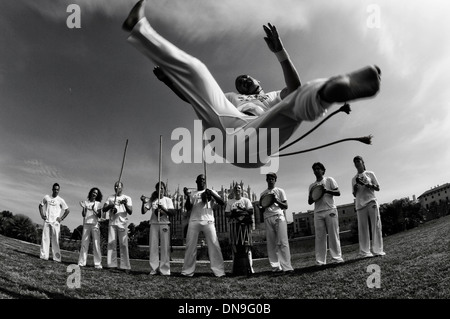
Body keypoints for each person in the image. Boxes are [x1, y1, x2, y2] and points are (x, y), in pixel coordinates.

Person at [122, 0, 381, 168]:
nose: (242, 82)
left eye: (246, 79)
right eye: (240, 82)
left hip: (259, 139)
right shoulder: (230, 97)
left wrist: (281, 53)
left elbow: (293, 89)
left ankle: (329, 91)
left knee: (295, 102)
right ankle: (139, 28)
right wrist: (170, 81)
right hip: (227, 131)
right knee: (199, 70)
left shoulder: (271, 96)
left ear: (258, 81)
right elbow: (194, 98)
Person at [181, 174, 225, 277]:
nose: (202, 181)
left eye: (203, 180)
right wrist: (187, 196)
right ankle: (187, 271)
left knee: (214, 245)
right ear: (196, 181)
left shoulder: (211, 191)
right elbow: (188, 207)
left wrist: (212, 194)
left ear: (205, 182)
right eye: (200, 179)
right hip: (194, 221)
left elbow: (222, 202)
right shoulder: (192, 194)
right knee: (190, 247)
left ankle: (219, 271)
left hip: (208, 221)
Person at [308, 162, 344, 265]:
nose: (316, 170)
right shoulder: (312, 186)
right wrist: (314, 196)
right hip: (318, 212)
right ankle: (320, 261)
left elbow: (338, 192)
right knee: (320, 237)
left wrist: (326, 191)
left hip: (330, 210)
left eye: (318, 168)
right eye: (314, 169)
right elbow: (310, 201)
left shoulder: (329, 180)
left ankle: (337, 258)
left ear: (323, 170)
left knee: (333, 234)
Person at [259, 172, 293, 273]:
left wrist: (276, 201)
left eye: (272, 179)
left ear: (275, 180)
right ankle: (275, 267)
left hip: (279, 216)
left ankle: (287, 267)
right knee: (271, 244)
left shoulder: (280, 191)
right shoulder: (263, 194)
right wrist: (261, 207)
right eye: (268, 179)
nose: (270, 180)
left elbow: (285, 206)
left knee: (283, 242)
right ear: (266, 180)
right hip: (268, 218)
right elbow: (262, 209)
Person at [352, 155, 386, 257]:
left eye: (358, 160)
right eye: (355, 162)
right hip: (360, 205)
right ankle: (365, 252)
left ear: (363, 162)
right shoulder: (353, 178)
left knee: (375, 226)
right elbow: (354, 194)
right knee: (363, 228)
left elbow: (377, 188)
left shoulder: (370, 174)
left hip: (371, 202)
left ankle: (378, 250)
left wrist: (367, 184)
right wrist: (355, 187)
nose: (357, 163)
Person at [141, 181, 175, 276]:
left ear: (164, 189)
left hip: (164, 224)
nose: (161, 190)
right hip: (154, 224)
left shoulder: (168, 200)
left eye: (162, 188)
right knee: (153, 247)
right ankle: (154, 269)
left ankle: (165, 269)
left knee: (165, 247)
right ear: (156, 189)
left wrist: (163, 208)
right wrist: (143, 202)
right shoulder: (152, 200)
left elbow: (172, 213)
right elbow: (144, 211)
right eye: (159, 188)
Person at [102, 181, 133, 271]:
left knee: (123, 244)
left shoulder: (127, 198)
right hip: (112, 222)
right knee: (111, 243)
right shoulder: (110, 197)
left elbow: (130, 211)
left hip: (122, 223)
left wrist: (125, 204)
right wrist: (110, 205)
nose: (116, 188)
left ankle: (125, 266)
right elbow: (104, 209)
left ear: (122, 187)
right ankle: (111, 264)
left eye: (118, 186)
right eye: (115, 186)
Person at [225, 184, 254, 276]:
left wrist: (237, 212)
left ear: (242, 190)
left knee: (247, 246)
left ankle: (250, 268)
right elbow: (227, 214)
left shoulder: (246, 200)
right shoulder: (230, 202)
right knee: (234, 247)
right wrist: (240, 213)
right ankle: (235, 269)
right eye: (236, 188)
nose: (237, 190)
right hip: (234, 226)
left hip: (245, 226)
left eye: (239, 188)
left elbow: (251, 211)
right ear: (233, 190)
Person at [38, 183, 70, 262]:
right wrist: (42, 215)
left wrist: (61, 218)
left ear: (59, 190)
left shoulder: (60, 200)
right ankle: (44, 256)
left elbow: (67, 210)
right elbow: (40, 205)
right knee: (45, 239)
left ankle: (56, 258)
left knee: (55, 240)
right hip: (47, 221)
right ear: (52, 189)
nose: (56, 191)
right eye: (54, 189)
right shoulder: (47, 197)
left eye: (57, 190)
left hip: (55, 223)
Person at [78, 187, 103, 269]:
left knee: (96, 244)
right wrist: (83, 207)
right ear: (91, 193)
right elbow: (83, 215)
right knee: (84, 244)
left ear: (97, 195)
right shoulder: (86, 202)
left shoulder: (98, 204)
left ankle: (97, 263)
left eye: (96, 193)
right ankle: (81, 262)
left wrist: (94, 210)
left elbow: (99, 215)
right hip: (86, 224)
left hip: (95, 224)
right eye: (93, 192)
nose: (94, 194)